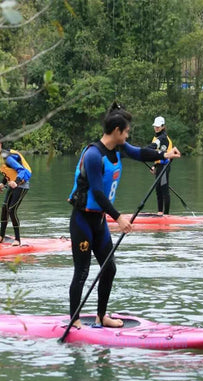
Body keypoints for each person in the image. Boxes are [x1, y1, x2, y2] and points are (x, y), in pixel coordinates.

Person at [68, 103, 181, 328]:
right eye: (127, 131)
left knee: (109, 268)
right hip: (82, 220)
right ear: (117, 130)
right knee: (82, 272)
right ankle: (75, 320)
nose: (128, 134)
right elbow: (98, 192)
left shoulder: (118, 148)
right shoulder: (93, 155)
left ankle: (101, 317)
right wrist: (119, 217)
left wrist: (164, 154)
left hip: (99, 222)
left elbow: (139, 153)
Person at [0, 131, 32, 246]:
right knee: (4, 208)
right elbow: (7, 172)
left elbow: (21, 170)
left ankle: (17, 240)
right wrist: (2, 183)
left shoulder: (7, 158)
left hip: (22, 184)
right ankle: (1, 237)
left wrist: (16, 182)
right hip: (12, 183)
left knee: (11, 209)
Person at [148, 116, 173, 215]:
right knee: (158, 190)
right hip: (159, 167)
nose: (156, 128)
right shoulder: (156, 137)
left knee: (164, 190)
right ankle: (159, 212)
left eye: (158, 126)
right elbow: (157, 154)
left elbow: (165, 156)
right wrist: (154, 165)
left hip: (164, 167)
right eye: (155, 126)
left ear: (163, 126)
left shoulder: (164, 138)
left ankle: (166, 214)